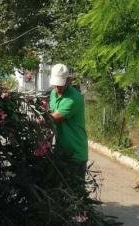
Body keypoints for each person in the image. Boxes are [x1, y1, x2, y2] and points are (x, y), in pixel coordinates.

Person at [48, 63, 88, 194]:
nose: (58, 87)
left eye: (61, 83)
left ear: (69, 81)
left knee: (75, 194)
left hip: (75, 153)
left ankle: (81, 215)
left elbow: (53, 118)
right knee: (60, 191)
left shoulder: (74, 98)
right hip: (61, 150)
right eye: (56, 83)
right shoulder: (53, 94)